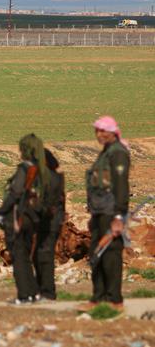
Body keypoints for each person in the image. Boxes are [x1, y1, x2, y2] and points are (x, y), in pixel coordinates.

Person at [83, 116, 130, 311]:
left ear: (112, 132)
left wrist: (119, 216)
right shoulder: (106, 152)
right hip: (99, 211)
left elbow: (120, 185)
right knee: (97, 252)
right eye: (97, 131)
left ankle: (114, 300)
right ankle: (98, 297)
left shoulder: (118, 153)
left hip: (111, 211)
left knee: (111, 254)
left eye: (103, 131)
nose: (99, 135)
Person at [0, 134, 49, 304]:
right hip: (33, 218)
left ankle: (24, 295)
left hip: (18, 217)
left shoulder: (25, 169)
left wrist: (2, 211)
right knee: (26, 256)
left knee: (18, 257)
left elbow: (15, 192)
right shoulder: (42, 170)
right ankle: (33, 292)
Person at [32, 148, 65, 300]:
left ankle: (48, 292)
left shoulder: (51, 178)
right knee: (38, 256)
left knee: (44, 256)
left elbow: (48, 204)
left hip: (50, 222)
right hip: (44, 222)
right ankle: (41, 290)